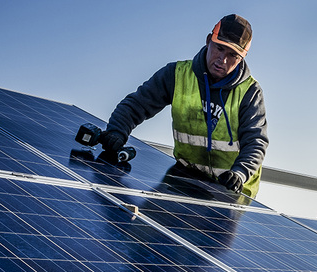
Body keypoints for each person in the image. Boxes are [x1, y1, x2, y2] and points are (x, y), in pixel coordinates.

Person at [99, 14, 268, 198]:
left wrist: (240, 173)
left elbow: (255, 141)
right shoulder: (177, 74)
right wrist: (117, 131)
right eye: (219, 48)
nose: (223, 60)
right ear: (208, 41)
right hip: (186, 178)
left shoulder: (250, 92)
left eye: (233, 55)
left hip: (229, 192)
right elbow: (136, 104)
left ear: (242, 58)